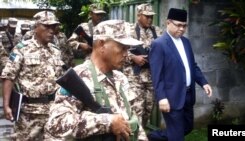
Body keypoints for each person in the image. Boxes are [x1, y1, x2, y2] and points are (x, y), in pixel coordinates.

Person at [44, 20, 148, 141]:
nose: (126, 54)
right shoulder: (79, 78)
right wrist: (107, 122)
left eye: (128, 49)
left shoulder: (120, 78)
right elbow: (57, 123)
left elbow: (133, 118)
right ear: (101, 45)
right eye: (122, 48)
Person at [147, 8, 213, 141]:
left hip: (188, 95)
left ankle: (153, 137)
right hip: (171, 97)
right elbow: (156, 75)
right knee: (177, 136)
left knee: (187, 127)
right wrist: (161, 98)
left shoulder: (186, 42)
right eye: (178, 25)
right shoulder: (159, 44)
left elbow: (192, 66)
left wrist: (204, 82)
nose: (182, 29)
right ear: (168, 23)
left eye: (184, 26)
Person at [1, 11, 64, 140]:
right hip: (29, 113)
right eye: (46, 26)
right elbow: (9, 77)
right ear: (36, 27)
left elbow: (60, 78)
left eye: (53, 27)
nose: (51, 30)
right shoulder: (22, 49)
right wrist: (7, 106)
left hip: (53, 110)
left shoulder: (56, 51)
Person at [123, 3, 162, 127]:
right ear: (139, 16)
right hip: (134, 77)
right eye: (147, 16)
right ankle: (134, 134)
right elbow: (119, 52)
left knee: (148, 110)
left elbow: (163, 50)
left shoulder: (157, 31)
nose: (150, 19)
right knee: (136, 109)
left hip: (151, 77)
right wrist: (134, 57)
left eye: (151, 17)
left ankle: (141, 133)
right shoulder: (128, 31)